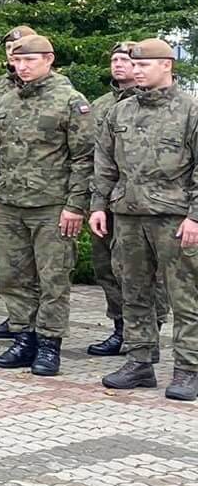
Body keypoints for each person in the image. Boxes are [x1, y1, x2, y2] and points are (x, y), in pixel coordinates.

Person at [0, 34, 92, 376]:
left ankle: (49, 344)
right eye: (17, 61)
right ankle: (23, 337)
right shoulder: (6, 101)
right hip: (9, 203)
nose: (22, 67)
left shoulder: (70, 101)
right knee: (13, 276)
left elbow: (84, 159)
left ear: (49, 59)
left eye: (30, 60)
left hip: (51, 206)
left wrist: (75, 205)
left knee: (53, 278)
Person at [89, 38, 198, 401]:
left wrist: (195, 217)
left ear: (167, 65)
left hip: (174, 218)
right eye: (133, 65)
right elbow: (105, 164)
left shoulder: (190, 110)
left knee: (185, 296)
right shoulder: (120, 112)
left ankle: (188, 368)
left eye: (143, 65)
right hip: (128, 215)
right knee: (133, 291)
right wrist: (98, 206)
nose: (136, 70)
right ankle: (139, 361)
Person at [86, 41, 160, 357]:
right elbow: (93, 155)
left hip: (151, 205)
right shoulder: (102, 106)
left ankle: (148, 333)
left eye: (126, 60)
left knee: (147, 274)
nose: (119, 64)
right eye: (114, 59)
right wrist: (95, 201)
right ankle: (121, 328)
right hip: (110, 199)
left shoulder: (157, 103)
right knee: (108, 268)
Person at [0, 24, 37, 340]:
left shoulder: (60, 91)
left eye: (22, 48)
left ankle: (39, 326)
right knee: (10, 263)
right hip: (7, 185)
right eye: (10, 49)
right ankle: (17, 317)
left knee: (40, 266)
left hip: (42, 190)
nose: (14, 54)